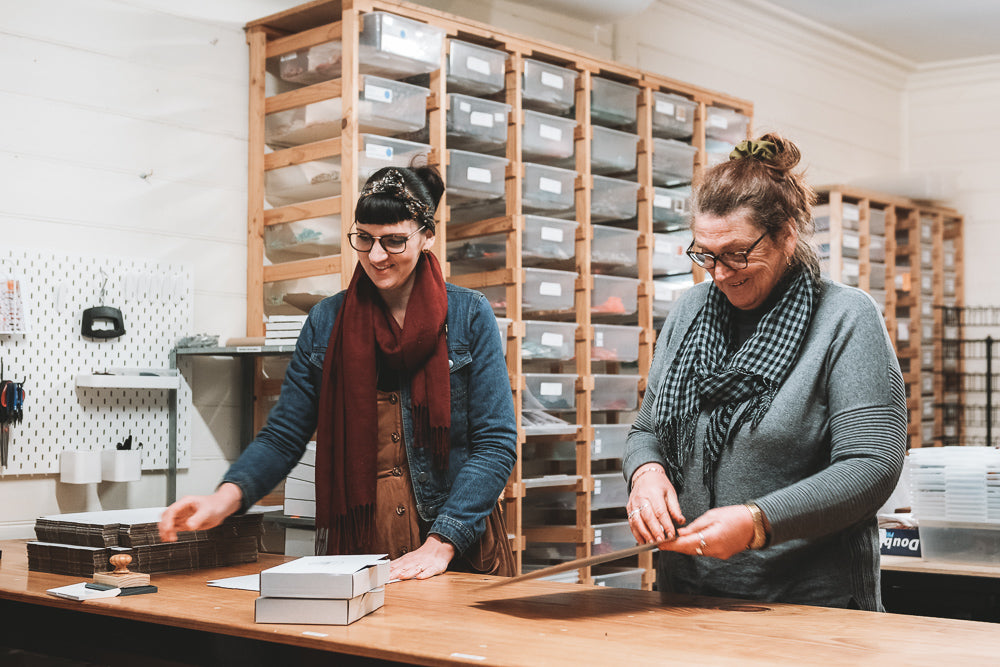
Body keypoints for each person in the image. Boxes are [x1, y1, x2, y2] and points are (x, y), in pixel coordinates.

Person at [159, 165, 518, 580]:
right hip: (365, 543)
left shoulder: (468, 315)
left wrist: (441, 543)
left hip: (458, 546)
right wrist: (225, 498)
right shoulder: (327, 321)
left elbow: (495, 443)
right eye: (364, 239)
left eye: (395, 241)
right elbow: (284, 434)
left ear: (427, 237)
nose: (376, 256)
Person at [623, 133, 907, 611]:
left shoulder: (844, 318)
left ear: (786, 235)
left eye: (737, 253)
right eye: (705, 254)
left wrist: (759, 520)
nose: (720, 272)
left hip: (809, 605)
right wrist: (646, 473)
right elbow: (648, 427)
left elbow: (871, 466)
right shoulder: (690, 312)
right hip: (687, 595)